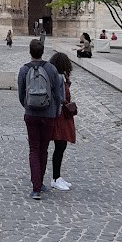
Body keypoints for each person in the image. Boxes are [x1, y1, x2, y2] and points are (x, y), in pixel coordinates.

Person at [18, 39, 61, 200]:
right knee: (44, 148)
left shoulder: (24, 70)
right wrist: (56, 110)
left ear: (30, 52)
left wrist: (28, 106)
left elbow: (21, 94)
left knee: (34, 149)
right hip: (48, 114)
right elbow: (57, 94)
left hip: (31, 114)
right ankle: (40, 183)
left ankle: (36, 188)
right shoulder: (51, 69)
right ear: (43, 52)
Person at [49, 53, 76, 191]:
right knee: (60, 146)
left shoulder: (60, 77)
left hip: (61, 116)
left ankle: (57, 176)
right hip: (60, 116)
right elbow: (61, 97)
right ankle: (55, 178)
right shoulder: (58, 79)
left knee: (61, 146)